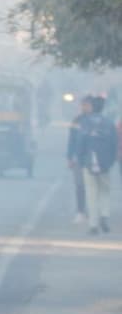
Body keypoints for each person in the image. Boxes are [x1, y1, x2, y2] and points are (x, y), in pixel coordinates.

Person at [76, 95, 117, 235]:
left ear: (92, 107)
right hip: (105, 163)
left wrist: (80, 161)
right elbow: (114, 144)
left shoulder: (85, 122)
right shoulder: (109, 123)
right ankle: (104, 215)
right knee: (105, 191)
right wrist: (110, 161)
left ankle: (93, 225)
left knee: (91, 194)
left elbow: (80, 142)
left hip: (89, 162)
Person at [66, 95, 91, 224]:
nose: (84, 107)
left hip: (92, 159)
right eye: (82, 105)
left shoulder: (97, 120)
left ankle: (93, 212)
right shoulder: (77, 120)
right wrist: (69, 157)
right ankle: (80, 212)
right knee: (80, 186)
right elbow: (71, 140)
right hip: (78, 159)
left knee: (93, 187)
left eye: (86, 105)